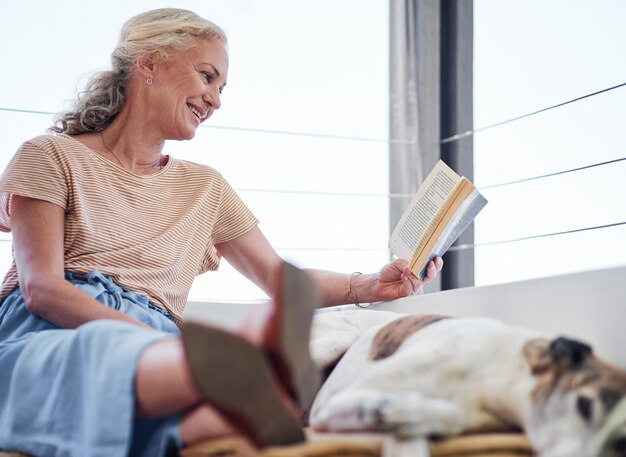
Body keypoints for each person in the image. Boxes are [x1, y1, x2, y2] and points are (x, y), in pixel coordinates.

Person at [0, 8, 443, 457]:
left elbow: (278, 278)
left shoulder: (206, 187)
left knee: (215, 418)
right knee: (107, 353)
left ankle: (250, 384)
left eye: (221, 87)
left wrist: (368, 284)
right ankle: (239, 369)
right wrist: (160, 341)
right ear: (149, 63)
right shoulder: (49, 156)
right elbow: (43, 290)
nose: (215, 100)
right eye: (207, 76)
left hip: (158, 336)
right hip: (54, 327)